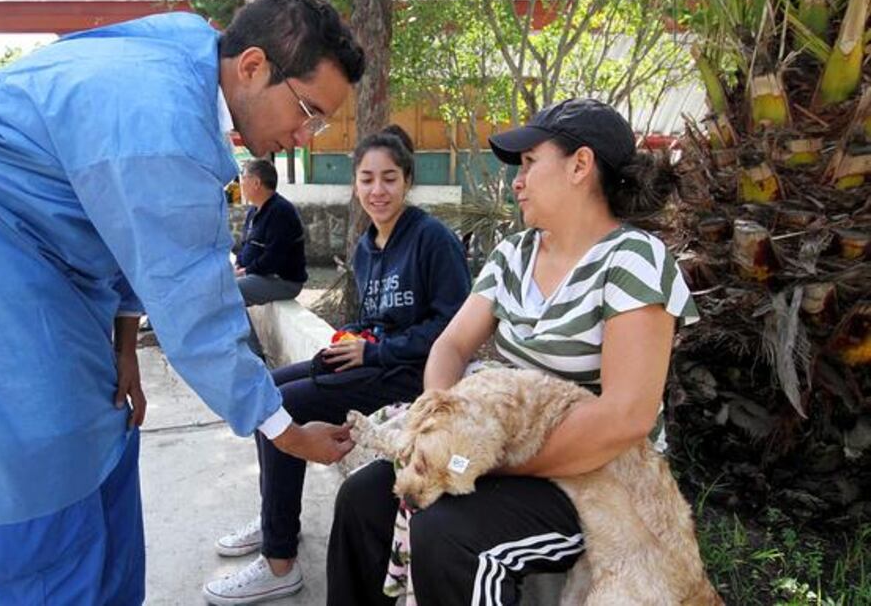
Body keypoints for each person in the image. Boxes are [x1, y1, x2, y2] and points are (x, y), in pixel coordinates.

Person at [0, 0, 364, 606]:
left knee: (106, 427)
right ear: (253, 67)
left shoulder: (191, 60)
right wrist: (285, 432)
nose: (308, 137)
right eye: (309, 112)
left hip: (48, 258)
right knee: (40, 460)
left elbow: (122, 236)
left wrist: (124, 344)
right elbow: (196, 311)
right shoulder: (162, 123)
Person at [325, 98, 700, 605]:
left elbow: (625, 417)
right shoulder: (515, 254)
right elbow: (452, 344)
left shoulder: (633, 259)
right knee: (362, 498)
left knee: (449, 536)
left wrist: (488, 461)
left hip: (596, 475)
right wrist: (440, 425)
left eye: (528, 164)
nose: (515, 181)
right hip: (501, 442)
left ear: (580, 166)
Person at [202, 126, 472, 605]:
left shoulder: (433, 240)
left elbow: (453, 329)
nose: (377, 190)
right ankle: (274, 519)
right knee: (267, 389)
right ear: (355, 184)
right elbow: (374, 320)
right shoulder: (366, 246)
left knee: (284, 402)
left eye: (389, 178)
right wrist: (353, 341)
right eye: (367, 178)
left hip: (413, 376)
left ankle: (279, 561)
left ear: (407, 180)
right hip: (372, 362)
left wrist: (374, 352)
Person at [234, 157, 308, 359]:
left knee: (232, 292)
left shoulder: (281, 211)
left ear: (256, 183)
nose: (241, 184)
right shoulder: (254, 211)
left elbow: (273, 258)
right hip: (263, 275)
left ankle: (255, 356)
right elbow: (245, 247)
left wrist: (245, 272)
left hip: (283, 280)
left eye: (244, 179)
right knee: (220, 285)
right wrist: (239, 264)